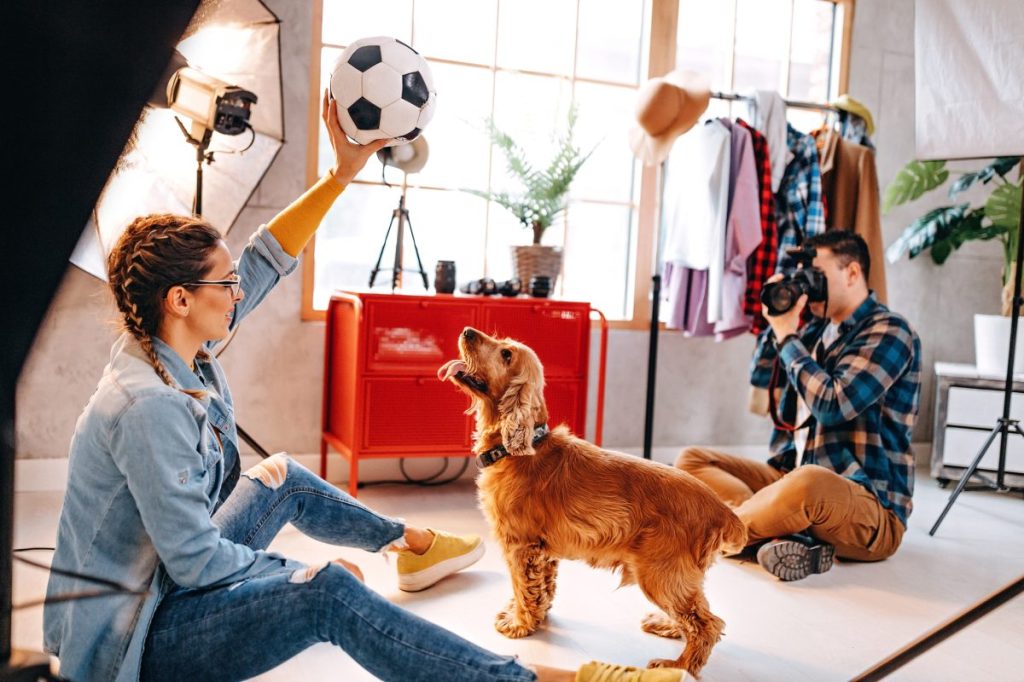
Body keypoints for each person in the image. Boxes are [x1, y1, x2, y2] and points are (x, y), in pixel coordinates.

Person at [42, 90, 681, 682]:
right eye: (224, 284)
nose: (239, 292)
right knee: (329, 591)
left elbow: (266, 257)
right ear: (180, 299)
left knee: (281, 477)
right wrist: (303, 572)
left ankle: (411, 547)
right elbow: (196, 563)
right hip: (136, 641)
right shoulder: (148, 406)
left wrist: (342, 172)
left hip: (163, 585)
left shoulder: (171, 346)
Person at [675, 230, 921, 582]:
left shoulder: (890, 330)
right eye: (803, 277)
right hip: (793, 478)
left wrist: (789, 339)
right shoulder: (815, 331)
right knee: (693, 460)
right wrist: (777, 318)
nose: (809, 286)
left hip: (870, 507)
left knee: (809, 483)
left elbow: (833, 404)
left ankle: (710, 536)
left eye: (816, 276)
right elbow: (761, 375)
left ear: (852, 273)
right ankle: (777, 535)